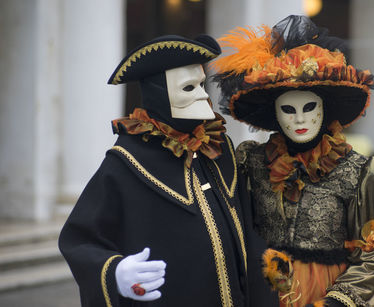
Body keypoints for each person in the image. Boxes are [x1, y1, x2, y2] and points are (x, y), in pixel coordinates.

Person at [59, 34, 276, 307]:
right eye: (188, 88)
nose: (202, 95)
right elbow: (80, 239)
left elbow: (249, 228)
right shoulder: (126, 164)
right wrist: (115, 272)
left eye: (201, 84)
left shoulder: (217, 150)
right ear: (159, 95)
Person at [212, 15, 374, 307]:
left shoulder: (359, 171)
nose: (300, 118)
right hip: (266, 289)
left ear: (324, 109)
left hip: (332, 292)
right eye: (288, 109)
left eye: (309, 107)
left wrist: (336, 302)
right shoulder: (252, 162)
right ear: (275, 115)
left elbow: (372, 256)